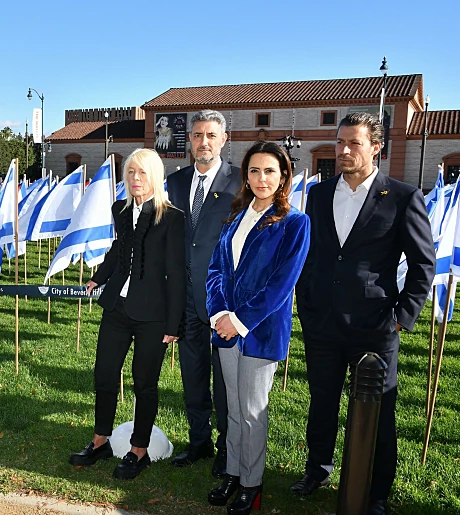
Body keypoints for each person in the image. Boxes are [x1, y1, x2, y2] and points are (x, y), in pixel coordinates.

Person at [293, 113, 435, 515]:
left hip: (375, 326)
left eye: (353, 143)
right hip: (322, 323)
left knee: (378, 411)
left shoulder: (403, 197)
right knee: (322, 401)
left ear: (376, 147)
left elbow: (423, 264)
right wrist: (307, 303)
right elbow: (312, 254)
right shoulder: (319, 194)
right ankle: (317, 469)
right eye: (340, 142)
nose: (344, 150)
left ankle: (376, 491)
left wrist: (401, 317)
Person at [205, 142, 310, 514]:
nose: (261, 178)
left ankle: (252, 485)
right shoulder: (236, 216)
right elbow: (217, 270)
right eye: (254, 170)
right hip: (225, 329)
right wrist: (219, 313)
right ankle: (233, 474)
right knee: (233, 410)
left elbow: (281, 285)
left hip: (260, 332)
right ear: (245, 176)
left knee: (252, 412)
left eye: (269, 171)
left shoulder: (295, 223)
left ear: (283, 177)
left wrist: (239, 321)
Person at [69, 148, 186, 480]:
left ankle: (139, 450)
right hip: (117, 308)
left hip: (153, 315)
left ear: (155, 176)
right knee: (104, 375)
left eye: (142, 173)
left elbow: (177, 273)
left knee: (144, 382)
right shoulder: (119, 208)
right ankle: (99, 441)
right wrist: (98, 278)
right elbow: (119, 249)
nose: (136, 178)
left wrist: (174, 322)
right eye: (131, 172)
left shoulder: (172, 217)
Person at [166, 110, 242, 477]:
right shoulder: (175, 182)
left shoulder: (240, 182)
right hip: (185, 300)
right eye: (197, 135)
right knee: (192, 376)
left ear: (224, 139)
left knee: (226, 382)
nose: (204, 142)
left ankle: (228, 448)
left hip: (223, 301)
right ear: (190, 141)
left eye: (211, 135)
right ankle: (199, 442)